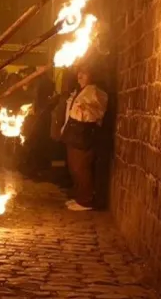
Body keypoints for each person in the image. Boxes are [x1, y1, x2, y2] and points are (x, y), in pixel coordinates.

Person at [59, 63, 108, 211]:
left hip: (84, 133)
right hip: (74, 132)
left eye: (84, 73)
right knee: (75, 166)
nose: (79, 76)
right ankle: (80, 196)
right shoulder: (82, 90)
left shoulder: (95, 92)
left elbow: (96, 114)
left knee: (82, 167)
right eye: (79, 73)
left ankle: (86, 200)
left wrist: (83, 110)